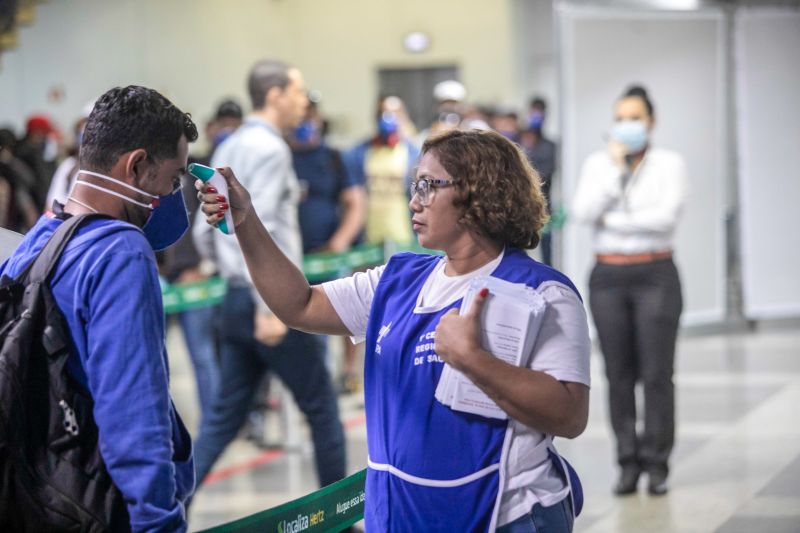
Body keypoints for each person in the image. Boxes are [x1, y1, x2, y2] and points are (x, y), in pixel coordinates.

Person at [197, 129, 591, 532]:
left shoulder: (543, 291)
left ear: (478, 193)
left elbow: (570, 414)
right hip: (403, 514)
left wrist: (474, 360)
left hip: (506, 515)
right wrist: (246, 221)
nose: (413, 200)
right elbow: (300, 305)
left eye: (427, 186)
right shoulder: (399, 279)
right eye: (413, 185)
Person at [0, 85, 198, 531]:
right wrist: (158, 523)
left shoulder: (42, 236)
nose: (173, 195)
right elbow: (133, 412)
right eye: (173, 179)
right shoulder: (121, 252)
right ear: (137, 165)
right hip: (98, 508)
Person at [190, 59, 346, 491]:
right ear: (275, 95)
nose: (302, 101)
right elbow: (267, 229)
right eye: (297, 92)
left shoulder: (228, 147)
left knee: (223, 419)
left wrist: (222, 270)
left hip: (236, 297)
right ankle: (339, 518)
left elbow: (209, 223)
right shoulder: (272, 149)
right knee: (322, 407)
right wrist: (271, 306)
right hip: (271, 303)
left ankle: (170, 510)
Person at [572, 85, 688, 496]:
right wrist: (616, 174)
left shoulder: (669, 163)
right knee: (617, 374)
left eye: (635, 117)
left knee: (657, 374)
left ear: (651, 122)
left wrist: (615, 220)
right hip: (608, 277)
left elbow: (665, 218)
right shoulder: (598, 164)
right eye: (621, 117)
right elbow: (583, 213)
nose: (627, 125)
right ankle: (627, 462)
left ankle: (657, 464)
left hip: (655, 273)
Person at [290, 99, 367, 393]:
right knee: (304, 327)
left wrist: (340, 241)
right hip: (295, 259)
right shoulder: (282, 156)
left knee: (343, 318)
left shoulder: (335, 158)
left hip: (330, 259)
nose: (305, 122)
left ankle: (346, 373)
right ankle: (312, 383)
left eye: (311, 116)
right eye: (301, 115)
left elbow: (355, 203)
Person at [346, 95, 420, 248]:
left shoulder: (415, 154)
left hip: (405, 240)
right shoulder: (359, 153)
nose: (388, 118)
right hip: (369, 243)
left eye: (395, 113)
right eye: (383, 113)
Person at [521, 97, 557, 266]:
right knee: (520, 251)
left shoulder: (549, 145)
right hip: (521, 206)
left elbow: (547, 173)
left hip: (543, 206)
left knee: (546, 252)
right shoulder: (521, 142)